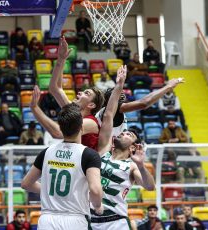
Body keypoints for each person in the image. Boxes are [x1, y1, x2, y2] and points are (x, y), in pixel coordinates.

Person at [40, 37, 184, 149]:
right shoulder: (86, 112)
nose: (123, 97)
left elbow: (144, 103)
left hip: (104, 162)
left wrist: (167, 87)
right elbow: (55, 89)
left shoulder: (98, 118)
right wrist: (61, 59)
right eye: (119, 96)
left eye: (86, 93)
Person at [90, 64, 155, 230]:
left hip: (115, 221)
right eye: (123, 133)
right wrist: (119, 85)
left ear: (133, 147)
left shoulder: (132, 166)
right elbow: (109, 114)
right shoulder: (103, 150)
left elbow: (150, 187)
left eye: (129, 135)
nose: (123, 133)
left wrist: (141, 165)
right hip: (89, 219)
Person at [21, 103, 104, 230]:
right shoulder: (89, 155)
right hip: (75, 219)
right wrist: (97, 205)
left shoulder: (47, 151)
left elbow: (26, 184)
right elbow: (96, 190)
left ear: (61, 128)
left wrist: (48, 190)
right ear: (82, 128)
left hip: (47, 220)